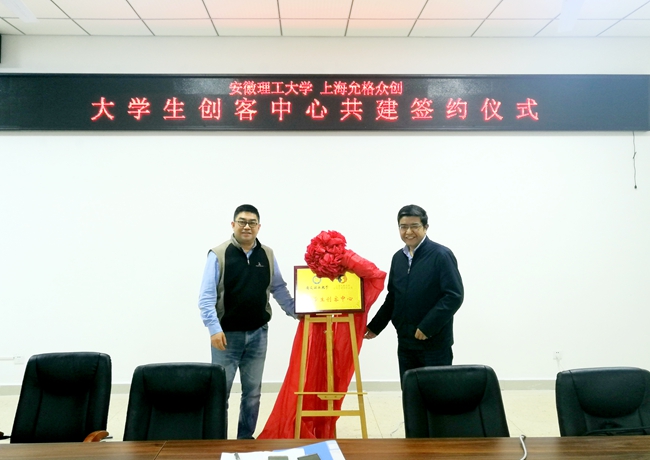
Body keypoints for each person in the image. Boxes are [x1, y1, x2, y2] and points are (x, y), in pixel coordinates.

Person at [198, 204, 297, 439]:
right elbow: (206, 297)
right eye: (242, 222)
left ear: (259, 227)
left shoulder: (267, 254)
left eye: (252, 223)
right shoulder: (218, 254)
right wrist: (213, 329)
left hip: (258, 335)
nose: (247, 227)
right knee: (220, 394)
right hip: (226, 337)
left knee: (252, 393)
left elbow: (278, 288)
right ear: (233, 224)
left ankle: (245, 440)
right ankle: (217, 441)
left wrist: (298, 312)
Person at [365, 204, 464, 385]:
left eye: (414, 226)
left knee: (437, 392)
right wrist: (375, 326)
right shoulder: (398, 258)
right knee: (411, 392)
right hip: (405, 341)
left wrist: (428, 327)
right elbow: (393, 297)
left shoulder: (441, 255)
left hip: (434, 342)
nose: (408, 231)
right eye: (403, 227)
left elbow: (453, 296)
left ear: (425, 227)